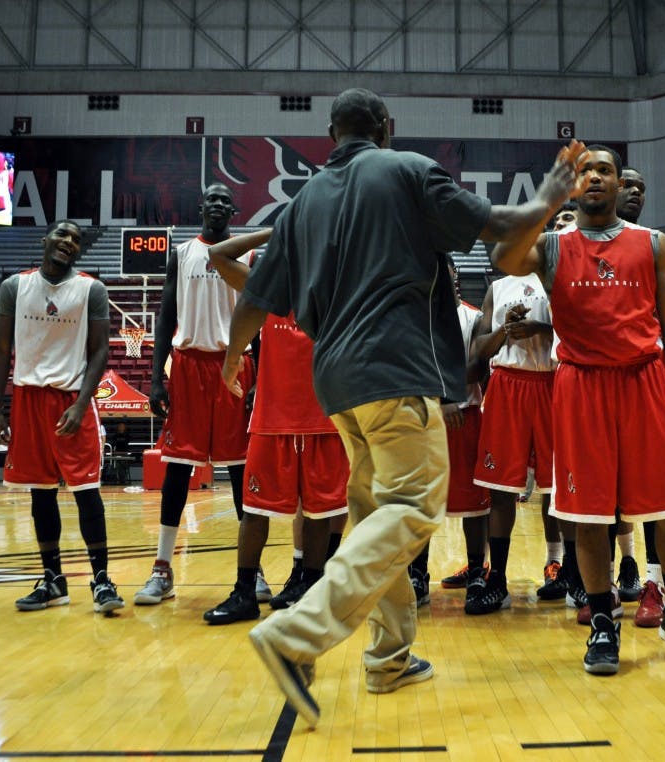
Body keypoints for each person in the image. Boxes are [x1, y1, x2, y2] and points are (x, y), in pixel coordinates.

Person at [224, 88, 582, 728]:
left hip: (333, 382)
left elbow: (255, 294)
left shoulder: (300, 201)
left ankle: (390, 657)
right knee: (415, 507)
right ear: (387, 127)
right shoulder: (407, 169)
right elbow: (499, 227)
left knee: (374, 520)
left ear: (329, 133)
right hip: (393, 366)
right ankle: (297, 633)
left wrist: (231, 358)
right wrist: (551, 195)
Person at [492, 145, 665, 675]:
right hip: (580, 386)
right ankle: (601, 620)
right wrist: (548, 196)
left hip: (643, 382)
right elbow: (504, 256)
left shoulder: (654, 244)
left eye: (604, 171)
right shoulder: (550, 245)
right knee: (589, 517)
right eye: (584, 171)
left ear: (620, 184)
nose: (594, 177)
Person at [202, 229, 349, 624]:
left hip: (325, 416)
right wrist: (278, 228)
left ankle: (311, 585)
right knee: (254, 510)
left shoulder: (338, 285)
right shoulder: (269, 287)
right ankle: (244, 592)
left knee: (319, 512)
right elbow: (218, 254)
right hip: (272, 417)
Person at [133, 183, 259, 606]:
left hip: (234, 364)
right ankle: (163, 568)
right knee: (176, 469)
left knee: (241, 472)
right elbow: (166, 312)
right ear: (201, 206)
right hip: (187, 367)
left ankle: (252, 569)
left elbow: (258, 317)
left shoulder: (249, 255)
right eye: (212, 199)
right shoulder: (182, 253)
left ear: (234, 210)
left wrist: (259, 380)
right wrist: (154, 377)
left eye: (226, 200)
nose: (219, 205)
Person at [0, 219, 123, 613]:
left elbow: (100, 351)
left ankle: (100, 579)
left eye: (76, 240)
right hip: (27, 398)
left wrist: (82, 404)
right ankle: (53, 580)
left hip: (70, 398)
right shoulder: (15, 286)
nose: (69, 242)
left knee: (86, 492)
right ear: (45, 240)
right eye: (62, 235)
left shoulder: (90, 289)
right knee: (40, 494)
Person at [614, 166, 665, 622]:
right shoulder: (568, 244)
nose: (634, 192)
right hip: (589, 382)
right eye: (628, 184)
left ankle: (660, 586)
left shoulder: (658, 245)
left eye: (642, 187)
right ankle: (599, 589)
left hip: (649, 380)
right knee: (603, 500)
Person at [468, 270, 560, 614]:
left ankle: (560, 569)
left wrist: (541, 330)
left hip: (552, 381)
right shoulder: (496, 287)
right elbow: (479, 349)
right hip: (507, 385)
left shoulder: (555, 277)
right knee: (501, 489)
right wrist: (505, 330)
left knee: (557, 487)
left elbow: (576, 331)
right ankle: (499, 580)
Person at [409, 257, 490, 608]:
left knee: (474, 505)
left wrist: (451, 398)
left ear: (455, 275)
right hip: (423, 417)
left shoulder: (473, 316)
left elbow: (475, 366)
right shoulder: (413, 316)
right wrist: (439, 400)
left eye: (446, 268)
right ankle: (417, 574)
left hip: (465, 415)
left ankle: (476, 571)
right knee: (419, 502)